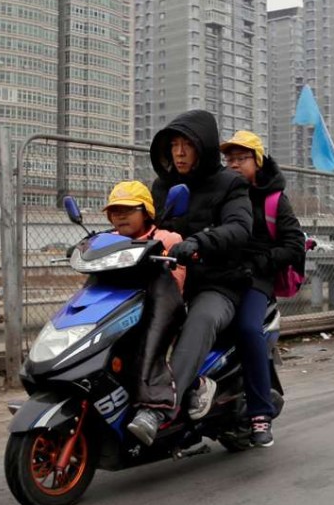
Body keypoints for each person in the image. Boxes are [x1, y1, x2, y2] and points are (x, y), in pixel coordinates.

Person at [127, 110, 253, 445]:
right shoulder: (162, 185)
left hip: (217, 283)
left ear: (205, 148)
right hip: (171, 279)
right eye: (174, 146)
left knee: (200, 320)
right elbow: (148, 226)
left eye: (187, 145)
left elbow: (239, 227)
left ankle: (157, 408)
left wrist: (199, 242)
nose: (179, 153)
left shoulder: (231, 184)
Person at [220, 130, 306, 447]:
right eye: (229, 159)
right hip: (221, 274)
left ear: (257, 161)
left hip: (257, 278)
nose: (233, 165)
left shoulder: (273, 199)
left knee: (246, 329)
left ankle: (259, 414)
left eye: (241, 159)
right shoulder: (222, 193)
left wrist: (260, 263)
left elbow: (295, 244)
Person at [102, 181, 186, 432]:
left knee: (152, 340)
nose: (120, 216)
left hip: (160, 313)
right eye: (115, 211)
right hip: (119, 314)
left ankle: (155, 408)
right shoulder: (107, 240)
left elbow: (176, 283)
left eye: (128, 210)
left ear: (146, 212)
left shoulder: (166, 239)